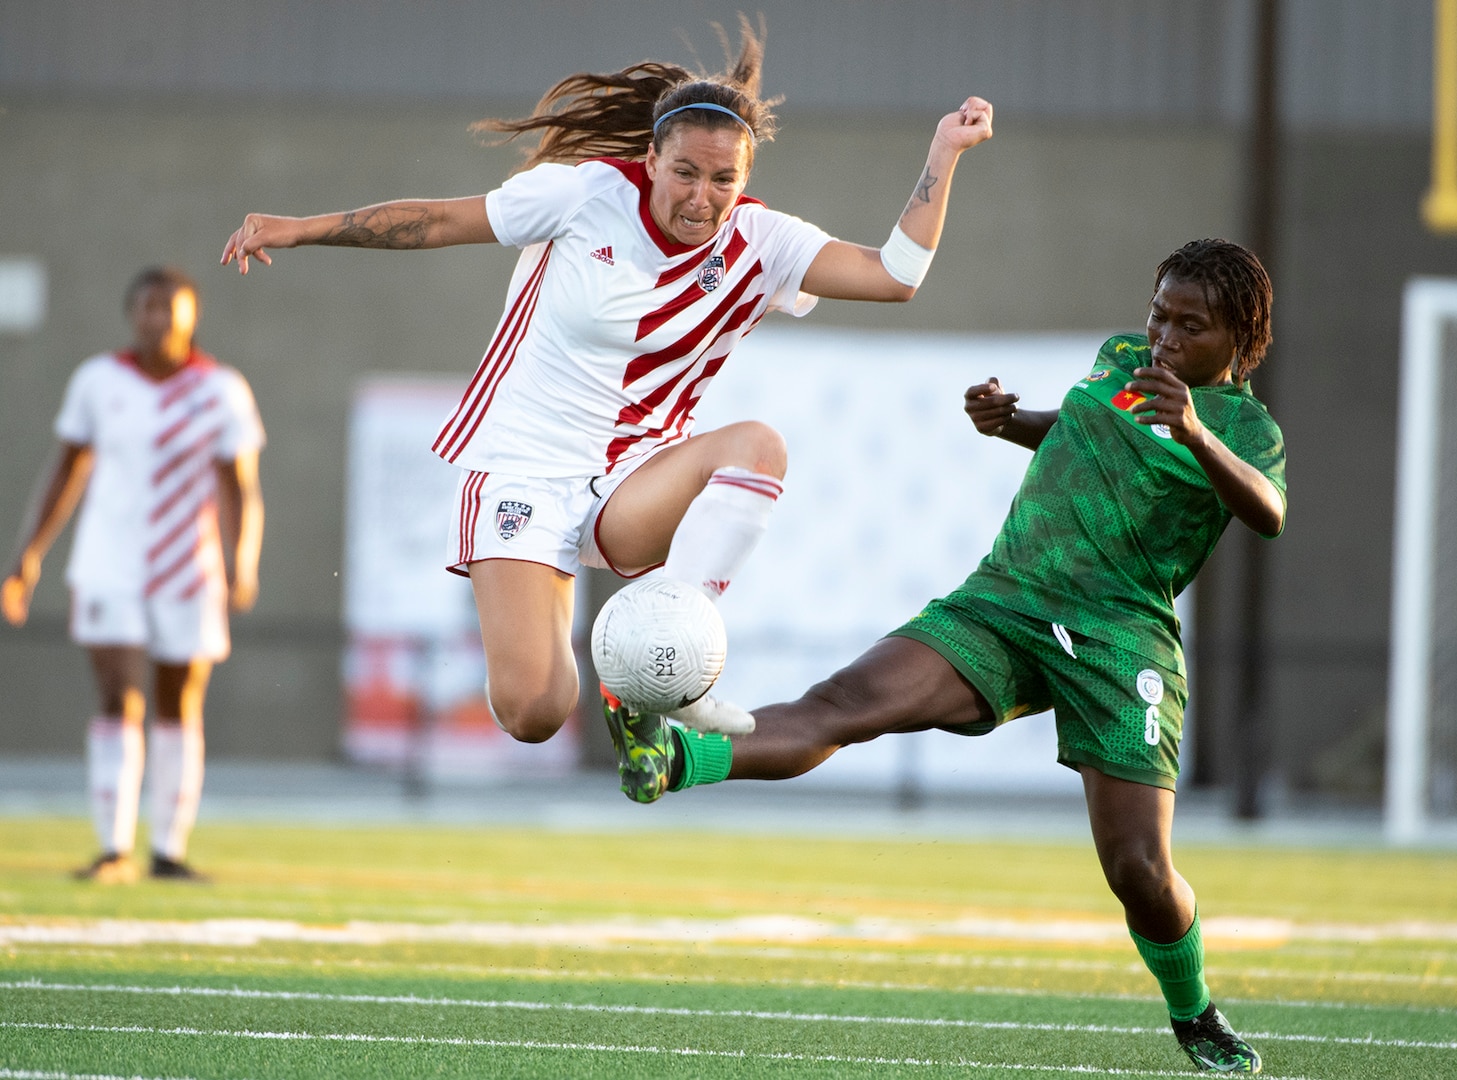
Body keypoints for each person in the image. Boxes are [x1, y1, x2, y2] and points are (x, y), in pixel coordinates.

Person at [606, 239, 1285, 1074]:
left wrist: (1195, 434)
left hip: (1119, 640)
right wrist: (1015, 423)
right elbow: (1085, 440)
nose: (1163, 337)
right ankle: (669, 755)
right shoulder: (1119, 358)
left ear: (1239, 339)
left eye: (1191, 325)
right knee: (843, 705)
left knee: (1140, 871)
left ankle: (1195, 1013)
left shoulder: (1246, 425)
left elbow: (1268, 512)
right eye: (1159, 313)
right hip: (1007, 601)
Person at [220, 19, 993, 746]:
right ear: (652, 160)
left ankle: (664, 660)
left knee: (758, 446)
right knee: (535, 711)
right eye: (684, 172)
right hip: (521, 467)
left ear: (746, 175)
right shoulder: (584, 194)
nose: (701, 196)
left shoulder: (764, 242)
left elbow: (895, 276)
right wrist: (301, 228)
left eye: (722, 179)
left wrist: (942, 154)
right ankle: (625, 677)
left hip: (633, 480)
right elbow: (441, 221)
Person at [4, 266, 266, 884]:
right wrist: (28, 555)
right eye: (148, 307)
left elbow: (241, 488)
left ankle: (168, 851)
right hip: (109, 564)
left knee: (180, 702)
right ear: (131, 315)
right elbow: (66, 470)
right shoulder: (98, 382)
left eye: (171, 307)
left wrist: (242, 560)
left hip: (188, 568)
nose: (159, 319)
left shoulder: (221, 390)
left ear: (192, 315)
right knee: (118, 696)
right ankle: (112, 848)